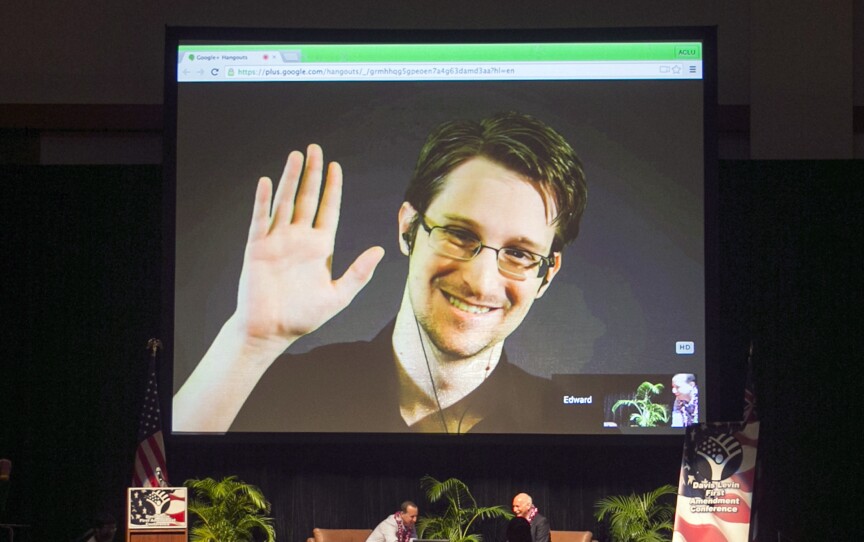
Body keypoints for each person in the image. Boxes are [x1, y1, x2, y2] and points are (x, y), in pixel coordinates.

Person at [173, 111, 588, 434]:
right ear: (409, 228)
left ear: (546, 275)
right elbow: (158, 487)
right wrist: (249, 342)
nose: (480, 280)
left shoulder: (572, 421)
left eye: (518, 253)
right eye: (459, 234)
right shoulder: (280, 386)